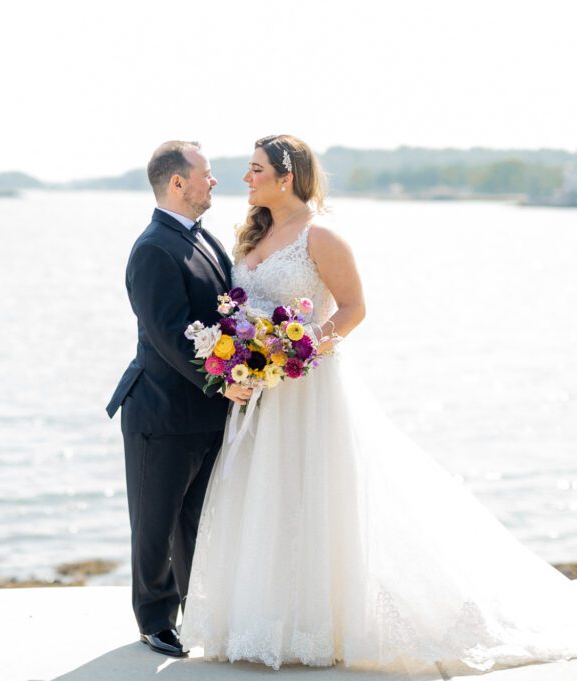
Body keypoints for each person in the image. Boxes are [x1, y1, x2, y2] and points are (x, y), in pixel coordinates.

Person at [180, 134, 577, 673]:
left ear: (286, 175)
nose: (245, 179)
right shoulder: (252, 235)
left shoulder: (321, 236)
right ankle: (270, 619)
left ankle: (324, 623)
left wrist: (295, 352)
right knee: (268, 498)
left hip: (308, 387)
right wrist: (245, 360)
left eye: (255, 169)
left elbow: (352, 308)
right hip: (261, 396)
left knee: (317, 497)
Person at [106, 140, 251, 657]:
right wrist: (222, 380)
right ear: (177, 183)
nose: (214, 182)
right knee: (154, 521)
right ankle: (154, 621)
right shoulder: (152, 248)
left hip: (207, 413)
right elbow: (168, 334)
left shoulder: (205, 238)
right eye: (206, 175)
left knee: (194, 518)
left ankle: (196, 613)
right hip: (159, 413)